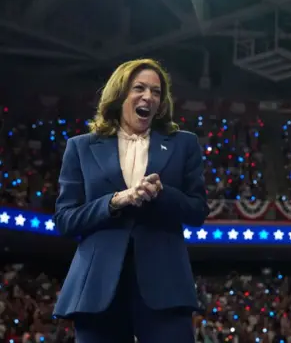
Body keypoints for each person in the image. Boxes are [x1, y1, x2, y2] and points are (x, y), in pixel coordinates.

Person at [53, 58, 209, 343]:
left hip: (166, 285)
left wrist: (163, 193)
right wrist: (114, 201)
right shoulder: (81, 147)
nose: (148, 97)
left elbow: (198, 210)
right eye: (139, 88)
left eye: (156, 91)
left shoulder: (184, 143)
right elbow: (65, 220)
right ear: (119, 93)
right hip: (97, 287)